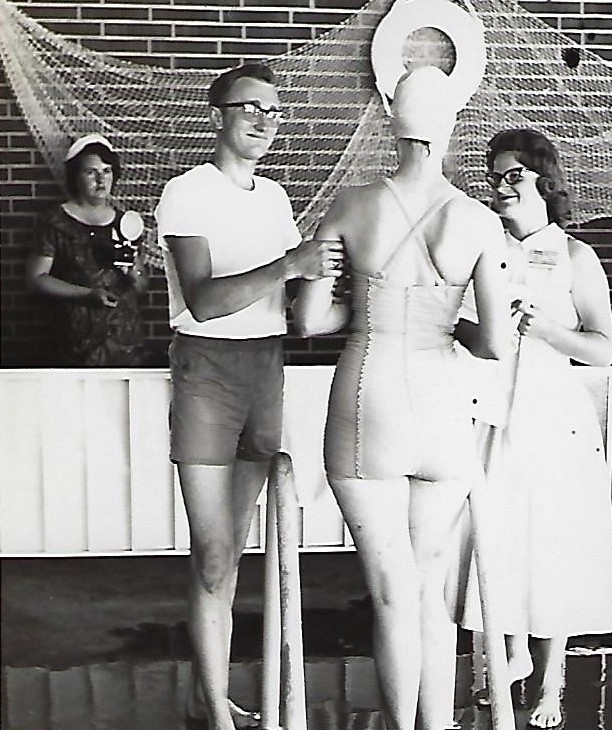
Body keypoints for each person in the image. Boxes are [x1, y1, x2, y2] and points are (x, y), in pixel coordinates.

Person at [293, 65, 511, 730]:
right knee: (428, 586)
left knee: (391, 593)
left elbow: (308, 320)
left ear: (392, 122)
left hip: (369, 395)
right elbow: (495, 343)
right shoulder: (477, 221)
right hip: (442, 398)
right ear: (450, 127)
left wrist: (370, 309)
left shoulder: (351, 205)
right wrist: (443, 321)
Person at [154, 63, 343, 730]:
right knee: (211, 555)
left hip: (266, 365)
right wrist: (292, 264)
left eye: (273, 110)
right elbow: (204, 301)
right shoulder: (186, 193)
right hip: (207, 368)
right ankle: (215, 711)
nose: (264, 120)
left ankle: (207, 697)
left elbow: (299, 305)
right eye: (250, 107)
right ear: (218, 116)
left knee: (232, 551)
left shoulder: (276, 199)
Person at [456, 128, 612, 729]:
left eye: (514, 175)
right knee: (495, 544)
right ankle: (503, 664)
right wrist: (486, 330)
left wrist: (547, 328)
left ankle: (551, 685)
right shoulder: (481, 250)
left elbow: (603, 349)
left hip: (554, 422)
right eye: (494, 177)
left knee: (554, 550)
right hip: (493, 416)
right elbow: (461, 329)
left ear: (544, 182)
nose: (500, 187)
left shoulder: (575, 255)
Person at [27, 133, 149, 366]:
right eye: (91, 172)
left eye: (107, 171)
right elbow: (36, 279)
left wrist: (134, 272)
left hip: (124, 346)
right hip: (74, 343)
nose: (101, 180)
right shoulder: (54, 221)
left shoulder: (126, 223)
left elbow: (141, 286)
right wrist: (86, 294)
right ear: (75, 177)